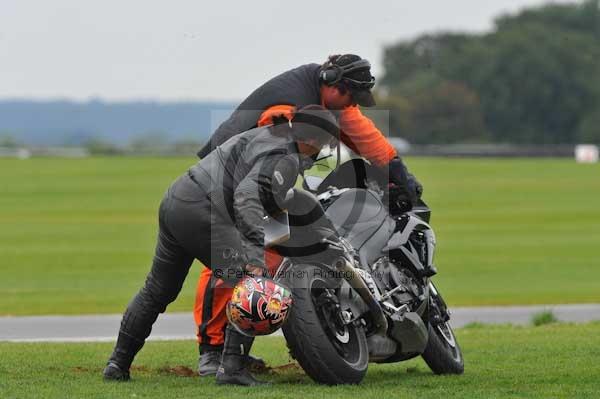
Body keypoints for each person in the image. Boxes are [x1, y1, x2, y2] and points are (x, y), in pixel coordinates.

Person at [195, 54, 423, 376]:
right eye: (349, 97)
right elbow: (276, 150)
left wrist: (399, 174)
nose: (349, 105)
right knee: (229, 258)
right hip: (225, 181)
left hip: (264, 180)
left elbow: (363, 135)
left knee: (270, 256)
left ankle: (234, 353)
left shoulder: (332, 101)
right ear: (332, 81)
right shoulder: (291, 104)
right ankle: (212, 350)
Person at [103, 105, 340, 386]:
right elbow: (247, 197)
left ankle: (118, 363)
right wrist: (255, 258)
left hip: (176, 200)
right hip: (205, 210)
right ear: (311, 140)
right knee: (256, 288)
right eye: (323, 145)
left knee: (156, 290)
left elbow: (269, 200)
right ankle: (231, 369)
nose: (321, 154)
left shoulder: (272, 135)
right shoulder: (286, 157)